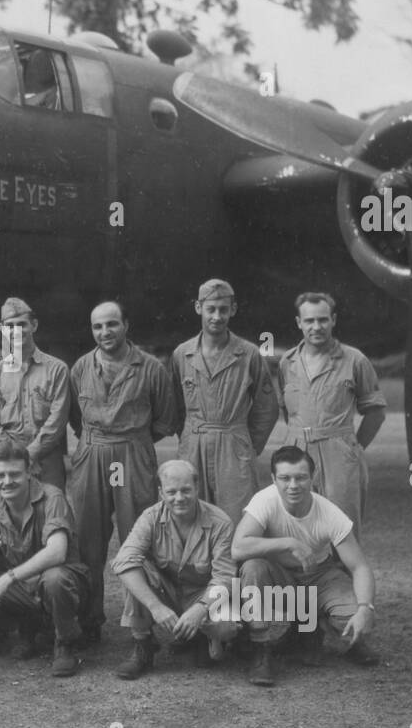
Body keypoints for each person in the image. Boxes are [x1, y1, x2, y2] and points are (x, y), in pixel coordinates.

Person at [67, 300, 178, 642]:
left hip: (132, 455)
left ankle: (141, 629)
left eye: (112, 324)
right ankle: (89, 622)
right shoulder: (81, 368)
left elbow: (166, 418)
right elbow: (74, 416)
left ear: (126, 325)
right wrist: (98, 444)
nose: (105, 332)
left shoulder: (150, 368)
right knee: (88, 541)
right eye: (98, 326)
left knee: (139, 539)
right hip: (93, 455)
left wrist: (134, 441)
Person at [231, 445, 380, 686]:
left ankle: (318, 628)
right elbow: (238, 548)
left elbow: (360, 567)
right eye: (285, 478)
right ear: (273, 479)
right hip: (279, 576)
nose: (293, 485)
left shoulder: (329, 512)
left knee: (352, 619)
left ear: (313, 478)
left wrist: (366, 607)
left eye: (301, 477)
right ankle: (262, 648)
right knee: (253, 568)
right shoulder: (264, 501)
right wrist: (287, 543)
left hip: (318, 576)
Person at [111, 460, 239, 679]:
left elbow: (224, 577)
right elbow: (123, 560)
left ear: (197, 488)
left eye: (186, 490)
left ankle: (202, 636)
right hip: (167, 592)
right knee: (133, 568)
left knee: (226, 627)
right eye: (171, 492)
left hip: (202, 594)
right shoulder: (150, 517)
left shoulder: (220, 523)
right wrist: (156, 607)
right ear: (161, 492)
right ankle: (143, 644)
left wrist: (200, 610)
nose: (179, 498)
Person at [0, 440, 88, 677]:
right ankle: (26, 629)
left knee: (54, 580)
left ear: (30, 471)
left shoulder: (52, 497)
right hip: (23, 589)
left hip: (64, 586)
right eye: (0, 475)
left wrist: (7, 580)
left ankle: (65, 642)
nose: (6, 481)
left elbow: (57, 552)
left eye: (14, 474)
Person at [172, 279, 280, 525]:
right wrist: (190, 435)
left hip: (234, 445)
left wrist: (248, 445)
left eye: (223, 309)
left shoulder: (249, 353)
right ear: (198, 308)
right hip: (193, 443)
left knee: (236, 518)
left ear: (233, 309)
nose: (217, 316)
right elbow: (175, 405)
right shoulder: (182, 354)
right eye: (211, 309)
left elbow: (267, 407)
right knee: (191, 516)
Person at [279, 292, 386, 533]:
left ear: (334, 320)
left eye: (323, 320)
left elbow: (376, 412)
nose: (316, 327)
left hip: (338, 452)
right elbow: (288, 411)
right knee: (294, 526)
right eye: (309, 321)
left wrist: (353, 448)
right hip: (296, 450)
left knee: (341, 528)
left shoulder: (354, 360)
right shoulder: (287, 363)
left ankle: (346, 572)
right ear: (298, 323)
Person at [0, 296, 71, 489]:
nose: (16, 331)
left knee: (50, 512)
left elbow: (57, 420)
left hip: (46, 458)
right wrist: (16, 458)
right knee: (5, 516)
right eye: (10, 326)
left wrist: (31, 454)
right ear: (3, 329)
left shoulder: (57, 370)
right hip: (6, 459)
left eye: (22, 324)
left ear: (34, 325)